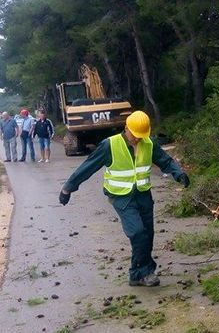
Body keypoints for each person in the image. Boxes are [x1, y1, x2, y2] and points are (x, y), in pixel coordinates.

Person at [59, 111, 190, 286]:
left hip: (143, 195)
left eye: (141, 136)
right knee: (137, 232)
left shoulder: (149, 143)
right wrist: (68, 188)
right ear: (126, 128)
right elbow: (88, 167)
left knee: (147, 234)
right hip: (121, 197)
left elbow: (165, 161)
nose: (138, 139)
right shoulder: (110, 145)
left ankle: (138, 274)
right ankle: (144, 271)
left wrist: (178, 173)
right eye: (135, 135)